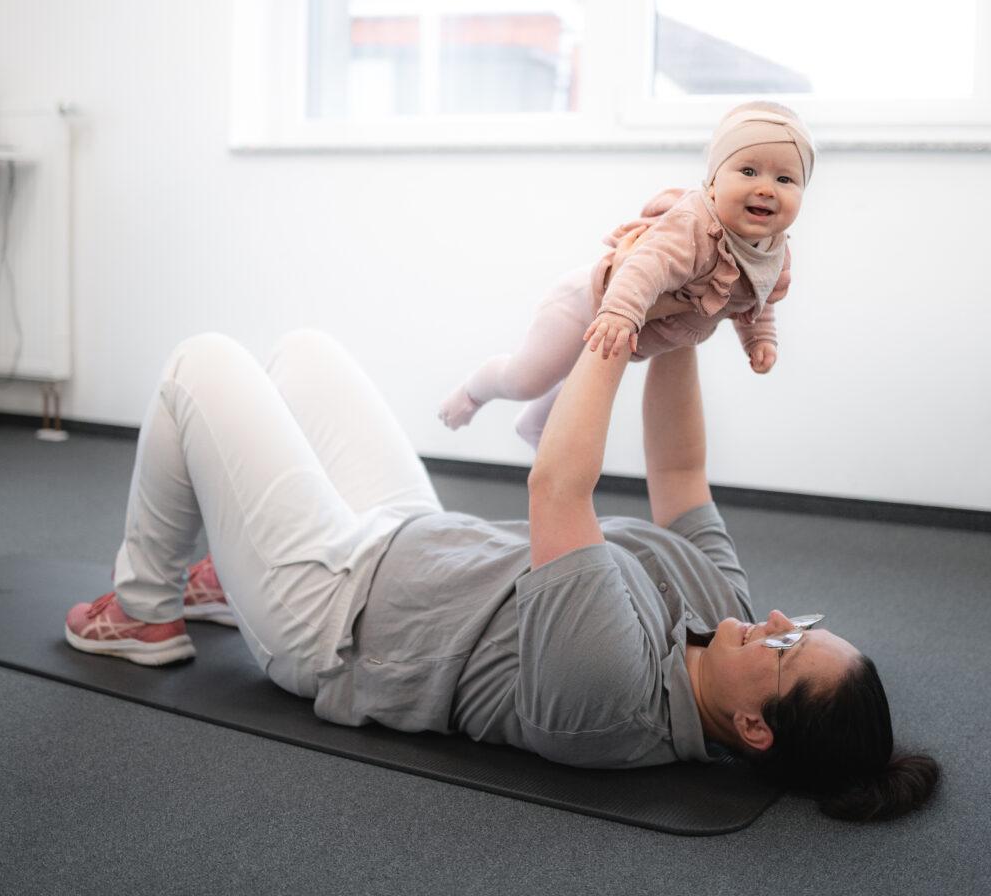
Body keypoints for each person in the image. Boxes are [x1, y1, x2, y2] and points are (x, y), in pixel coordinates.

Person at [64, 318, 937, 821]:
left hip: (333, 613)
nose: (781, 623)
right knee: (304, 353)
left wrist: (626, 307)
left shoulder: (612, 693)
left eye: (787, 651)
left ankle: (143, 610)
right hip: (411, 537)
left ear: (754, 728)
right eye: (806, 627)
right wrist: (689, 319)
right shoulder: (727, 615)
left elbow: (559, 483)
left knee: (198, 365)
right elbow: (678, 474)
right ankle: (230, 568)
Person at [438, 100, 808, 449]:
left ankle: (532, 427)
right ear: (712, 183)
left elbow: (755, 295)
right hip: (586, 305)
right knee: (527, 379)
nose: (765, 188)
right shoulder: (694, 228)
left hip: (627, 327)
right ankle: (476, 388)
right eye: (748, 171)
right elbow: (644, 267)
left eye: (785, 179)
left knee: (573, 373)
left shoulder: (774, 250)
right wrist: (619, 313)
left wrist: (759, 338)